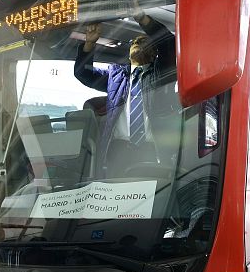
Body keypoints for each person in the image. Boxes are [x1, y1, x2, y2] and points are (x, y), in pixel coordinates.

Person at [74, 9, 177, 176]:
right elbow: (83, 74)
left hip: (151, 150)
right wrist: (89, 44)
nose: (138, 42)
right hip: (118, 151)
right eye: (135, 42)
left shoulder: (161, 74)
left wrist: (142, 18)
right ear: (129, 54)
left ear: (155, 54)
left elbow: (168, 44)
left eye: (145, 42)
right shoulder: (116, 77)